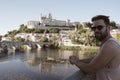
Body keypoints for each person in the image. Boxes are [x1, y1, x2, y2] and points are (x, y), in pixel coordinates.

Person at [68, 15, 120, 80]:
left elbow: (90, 69)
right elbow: (96, 58)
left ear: (108, 28)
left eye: (100, 27)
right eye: (94, 28)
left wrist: (75, 62)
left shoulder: (110, 45)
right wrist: (80, 61)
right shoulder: (106, 43)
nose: (96, 30)